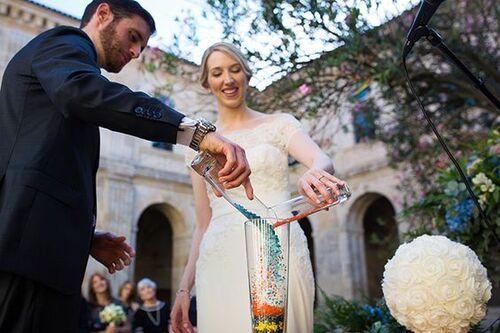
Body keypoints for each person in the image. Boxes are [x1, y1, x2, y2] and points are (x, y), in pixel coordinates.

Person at [0, 1, 253, 331]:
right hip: (27, 257)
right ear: (102, 14)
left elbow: (44, 162)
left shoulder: (70, 71)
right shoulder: (63, 43)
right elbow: (85, 93)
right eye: (132, 37)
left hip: (42, 251)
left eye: (143, 46)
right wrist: (193, 132)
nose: (136, 52)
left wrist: (83, 236)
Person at [170, 42, 346, 333]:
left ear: (247, 75)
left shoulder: (279, 124)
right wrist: (183, 290)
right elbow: (202, 224)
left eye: (234, 70)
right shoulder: (197, 147)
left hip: (279, 252)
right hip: (219, 260)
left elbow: (321, 158)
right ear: (207, 82)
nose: (227, 79)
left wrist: (314, 172)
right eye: (217, 73)